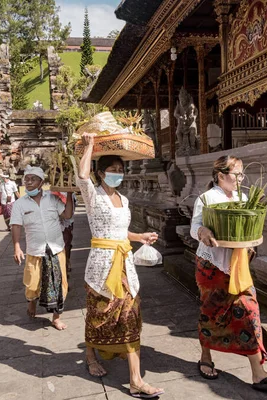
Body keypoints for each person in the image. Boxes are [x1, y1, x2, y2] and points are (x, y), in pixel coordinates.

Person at [76, 133, 164, 399]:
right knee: (99, 312)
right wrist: (90, 147)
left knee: (130, 316)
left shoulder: (124, 200)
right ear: (101, 173)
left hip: (125, 264)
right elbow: (82, 177)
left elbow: (120, 231)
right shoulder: (93, 197)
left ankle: (135, 379)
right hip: (101, 266)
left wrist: (141, 237)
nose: (118, 174)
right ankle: (91, 356)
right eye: (112, 170)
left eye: (120, 170)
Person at [190, 155, 267, 392]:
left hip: (238, 266)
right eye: (236, 174)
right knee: (211, 312)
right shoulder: (206, 198)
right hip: (212, 266)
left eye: (242, 174)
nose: (240, 179)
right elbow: (195, 227)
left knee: (249, 310)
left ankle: (258, 372)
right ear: (221, 175)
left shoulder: (244, 198)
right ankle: (205, 356)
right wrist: (203, 231)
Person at [10, 166, 74, 330]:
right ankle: (31, 302)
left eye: (33, 179)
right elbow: (16, 226)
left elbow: (67, 215)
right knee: (32, 283)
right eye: (27, 179)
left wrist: (69, 193)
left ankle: (56, 318)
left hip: (56, 248)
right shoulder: (20, 204)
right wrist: (17, 247)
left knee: (59, 285)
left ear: (41, 182)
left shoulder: (52, 199)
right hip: (35, 250)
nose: (29, 182)